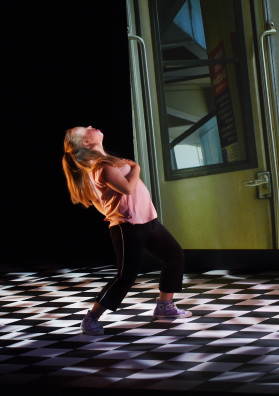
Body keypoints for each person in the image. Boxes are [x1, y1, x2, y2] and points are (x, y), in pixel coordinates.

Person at [62, 126, 192, 336]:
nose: (90, 127)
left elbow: (97, 199)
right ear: (86, 143)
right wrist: (137, 169)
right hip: (127, 227)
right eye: (85, 130)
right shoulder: (101, 166)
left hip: (148, 221)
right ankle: (90, 319)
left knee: (175, 257)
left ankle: (164, 307)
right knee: (126, 276)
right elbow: (128, 188)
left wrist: (111, 208)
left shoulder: (103, 162)